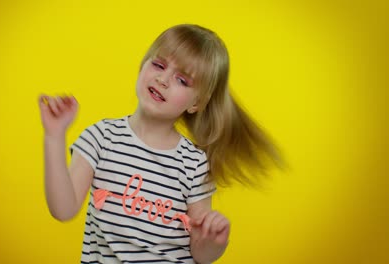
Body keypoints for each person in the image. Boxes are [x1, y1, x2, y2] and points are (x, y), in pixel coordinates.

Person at [38, 24, 284, 263]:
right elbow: (63, 209)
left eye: (182, 80)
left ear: (196, 104)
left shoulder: (194, 163)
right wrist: (54, 135)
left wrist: (214, 244)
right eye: (158, 64)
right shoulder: (101, 138)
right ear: (142, 65)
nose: (163, 79)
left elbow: (200, 255)